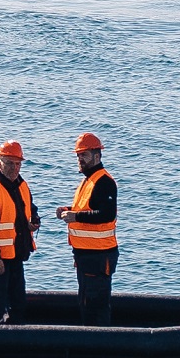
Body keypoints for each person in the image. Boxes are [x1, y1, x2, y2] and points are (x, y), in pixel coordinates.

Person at [56, 132, 119, 326]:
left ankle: (101, 349)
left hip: (99, 256)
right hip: (86, 256)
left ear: (97, 156)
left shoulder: (104, 182)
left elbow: (106, 214)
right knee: (86, 303)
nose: (80, 159)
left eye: (84, 155)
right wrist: (68, 210)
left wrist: (75, 216)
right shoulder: (88, 180)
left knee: (96, 306)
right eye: (78, 155)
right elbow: (88, 209)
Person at [0, 140, 40, 324]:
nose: (14, 168)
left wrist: (34, 222)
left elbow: (30, 210)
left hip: (16, 257)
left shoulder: (22, 185)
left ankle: (11, 347)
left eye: (18, 163)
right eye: (10, 163)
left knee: (17, 306)